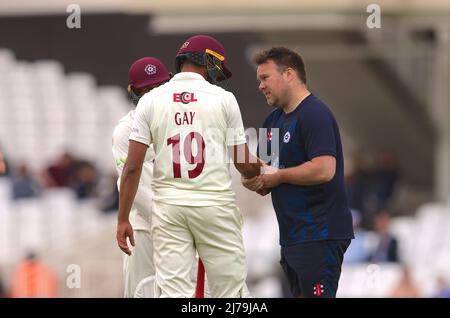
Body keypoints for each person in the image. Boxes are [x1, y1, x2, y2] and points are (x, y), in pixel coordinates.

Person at [117, 35, 261, 298]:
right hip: (213, 205)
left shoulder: (151, 100)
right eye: (217, 67)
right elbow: (242, 162)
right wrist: (260, 171)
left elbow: (132, 168)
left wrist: (122, 217)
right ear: (207, 61)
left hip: (169, 208)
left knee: (175, 293)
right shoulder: (223, 98)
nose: (218, 75)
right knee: (229, 291)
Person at [242, 46, 354, 298]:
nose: (260, 85)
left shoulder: (316, 113)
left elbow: (324, 170)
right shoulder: (272, 121)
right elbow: (264, 174)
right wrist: (249, 174)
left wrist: (278, 176)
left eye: (265, 78)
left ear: (289, 74)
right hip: (291, 236)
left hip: (319, 233)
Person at [112, 57, 171, 297]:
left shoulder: (183, 121)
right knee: (142, 291)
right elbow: (136, 184)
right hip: (145, 230)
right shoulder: (126, 130)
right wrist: (172, 220)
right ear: (135, 93)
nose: (154, 95)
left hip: (181, 223)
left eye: (158, 88)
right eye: (147, 90)